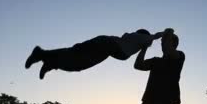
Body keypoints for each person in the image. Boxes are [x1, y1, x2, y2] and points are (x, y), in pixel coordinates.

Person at [25, 29, 165, 79]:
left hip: (104, 42)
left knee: (75, 54)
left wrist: (143, 48)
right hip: (106, 46)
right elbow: (156, 35)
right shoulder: (143, 37)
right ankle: (43, 55)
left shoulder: (131, 39)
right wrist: (166, 33)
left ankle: (50, 61)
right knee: (79, 62)